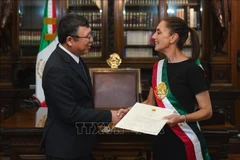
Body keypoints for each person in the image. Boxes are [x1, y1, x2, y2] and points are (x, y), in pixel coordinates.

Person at [41, 14, 128, 160]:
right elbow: (70, 113)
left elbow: (84, 98)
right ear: (70, 40)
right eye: (87, 37)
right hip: (65, 148)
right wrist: (109, 115)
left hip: (79, 143)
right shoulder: (57, 68)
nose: (92, 40)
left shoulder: (75, 58)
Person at [143, 17, 212, 160]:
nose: (153, 37)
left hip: (184, 141)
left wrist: (182, 118)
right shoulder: (158, 67)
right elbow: (150, 103)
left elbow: (207, 111)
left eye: (158, 32)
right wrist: (129, 111)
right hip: (161, 139)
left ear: (173, 38)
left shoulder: (192, 69)